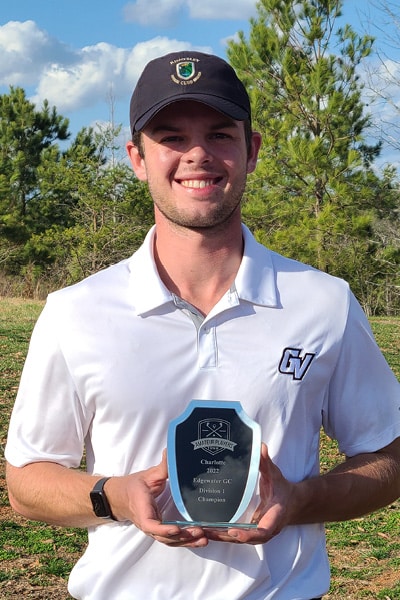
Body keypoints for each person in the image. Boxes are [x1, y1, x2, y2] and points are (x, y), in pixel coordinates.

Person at [5, 50, 400, 600]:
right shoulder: (75, 310)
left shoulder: (324, 303)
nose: (197, 155)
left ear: (251, 150)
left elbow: (390, 454)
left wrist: (304, 499)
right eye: (170, 137)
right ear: (137, 158)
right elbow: (25, 482)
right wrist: (116, 496)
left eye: (219, 135)